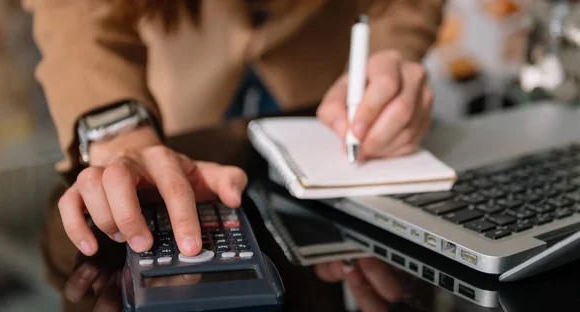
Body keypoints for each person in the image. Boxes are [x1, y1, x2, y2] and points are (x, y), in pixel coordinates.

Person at [26, 0, 443, 258]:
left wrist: (390, 59)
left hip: (324, 102)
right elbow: (73, 9)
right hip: (180, 103)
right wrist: (119, 130)